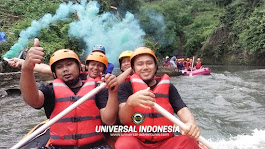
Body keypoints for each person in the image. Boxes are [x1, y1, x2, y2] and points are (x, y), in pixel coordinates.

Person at [20, 39, 119, 148]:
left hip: (94, 146)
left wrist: (113, 92)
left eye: (69, 64)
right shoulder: (50, 90)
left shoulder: (97, 89)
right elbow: (32, 100)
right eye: (59, 67)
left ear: (79, 67)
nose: (65, 69)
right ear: (54, 73)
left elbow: (109, 120)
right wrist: (27, 69)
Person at [115, 47, 200, 149]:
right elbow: (124, 119)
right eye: (140, 64)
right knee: (122, 145)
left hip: (165, 142)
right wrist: (130, 103)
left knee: (190, 141)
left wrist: (190, 123)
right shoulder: (125, 87)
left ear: (155, 66)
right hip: (137, 140)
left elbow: (182, 110)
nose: (145, 67)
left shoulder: (169, 87)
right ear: (133, 69)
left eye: (149, 63)